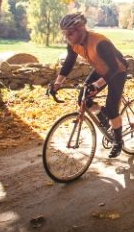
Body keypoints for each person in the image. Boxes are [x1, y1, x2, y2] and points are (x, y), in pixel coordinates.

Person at [51, 12, 129, 158]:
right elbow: (69, 62)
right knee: (83, 99)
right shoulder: (73, 43)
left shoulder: (100, 42)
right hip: (100, 69)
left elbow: (113, 67)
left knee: (112, 109)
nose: (67, 37)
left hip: (117, 71)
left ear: (81, 29)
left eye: (70, 33)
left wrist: (97, 84)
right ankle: (104, 117)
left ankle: (118, 142)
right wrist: (57, 83)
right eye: (64, 34)